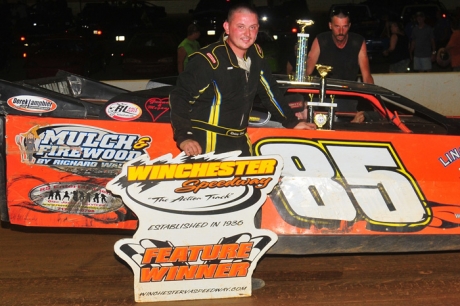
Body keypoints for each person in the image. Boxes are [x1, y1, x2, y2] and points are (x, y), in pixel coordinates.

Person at [169, 4, 315, 157]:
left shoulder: (256, 55)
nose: (247, 34)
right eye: (241, 27)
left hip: (240, 140)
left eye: (252, 27)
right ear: (227, 27)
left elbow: (270, 92)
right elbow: (180, 97)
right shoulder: (208, 60)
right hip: (207, 143)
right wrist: (184, 136)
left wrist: (292, 122)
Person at [305, 8, 374, 84]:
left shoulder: (358, 42)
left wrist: (373, 94)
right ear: (330, 25)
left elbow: (367, 76)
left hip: (348, 91)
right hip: (324, 91)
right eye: (337, 26)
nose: (341, 31)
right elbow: (307, 70)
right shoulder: (321, 40)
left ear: (349, 26)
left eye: (344, 27)